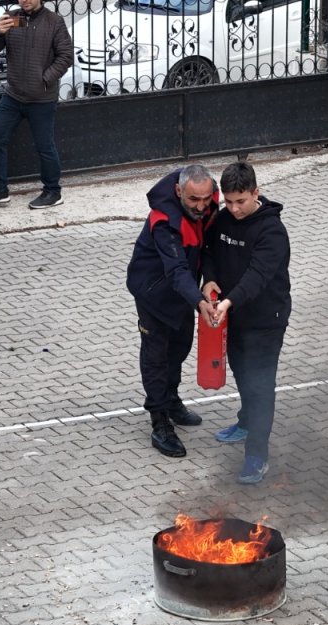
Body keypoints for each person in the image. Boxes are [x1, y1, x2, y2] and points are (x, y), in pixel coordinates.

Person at [201, 162, 291, 485]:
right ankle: (246, 421)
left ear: (256, 192)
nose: (234, 209)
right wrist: (209, 280)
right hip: (233, 318)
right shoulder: (223, 220)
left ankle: (257, 455)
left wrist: (227, 302)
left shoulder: (272, 232)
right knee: (241, 370)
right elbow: (208, 251)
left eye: (241, 201)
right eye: (229, 201)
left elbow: (257, 277)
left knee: (261, 385)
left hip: (266, 321)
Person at [126, 165, 221, 458]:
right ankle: (159, 420)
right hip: (154, 292)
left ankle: (172, 399)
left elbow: (208, 247)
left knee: (180, 347)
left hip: (184, 293)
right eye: (193, 200)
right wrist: (200, 301)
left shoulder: (209, 203)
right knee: (157, 355)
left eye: (205, 199)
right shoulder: (163, 220)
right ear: (179, 191)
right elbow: (176, 269)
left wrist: (210, 280)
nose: (201, 206)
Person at [0, 0, 73, 210]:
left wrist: (44, 79)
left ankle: (52, 191)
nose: (25, 0)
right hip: (13, 95)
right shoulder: (13, 18)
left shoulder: (54, 21)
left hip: (41, 98)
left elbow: (66, 56)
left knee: (45, 147)